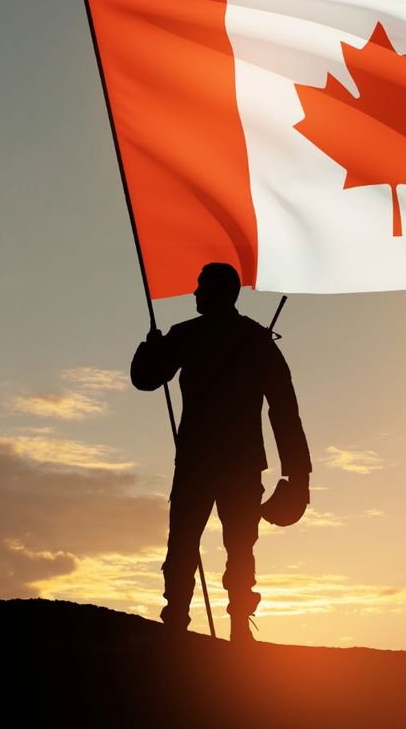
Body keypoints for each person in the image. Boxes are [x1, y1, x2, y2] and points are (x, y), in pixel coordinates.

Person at [130, 262, 311, 642]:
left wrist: (150, 350)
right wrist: (297, 474)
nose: (194, 293)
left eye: (201, 286)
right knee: (231, 545)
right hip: (234, 463)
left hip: (202, 460)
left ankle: (181, 618)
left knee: (190, 542)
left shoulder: (191, 336)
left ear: (216, 292)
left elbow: (145, 378)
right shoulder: (253, 340)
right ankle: (225, 623)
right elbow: (284, 411)